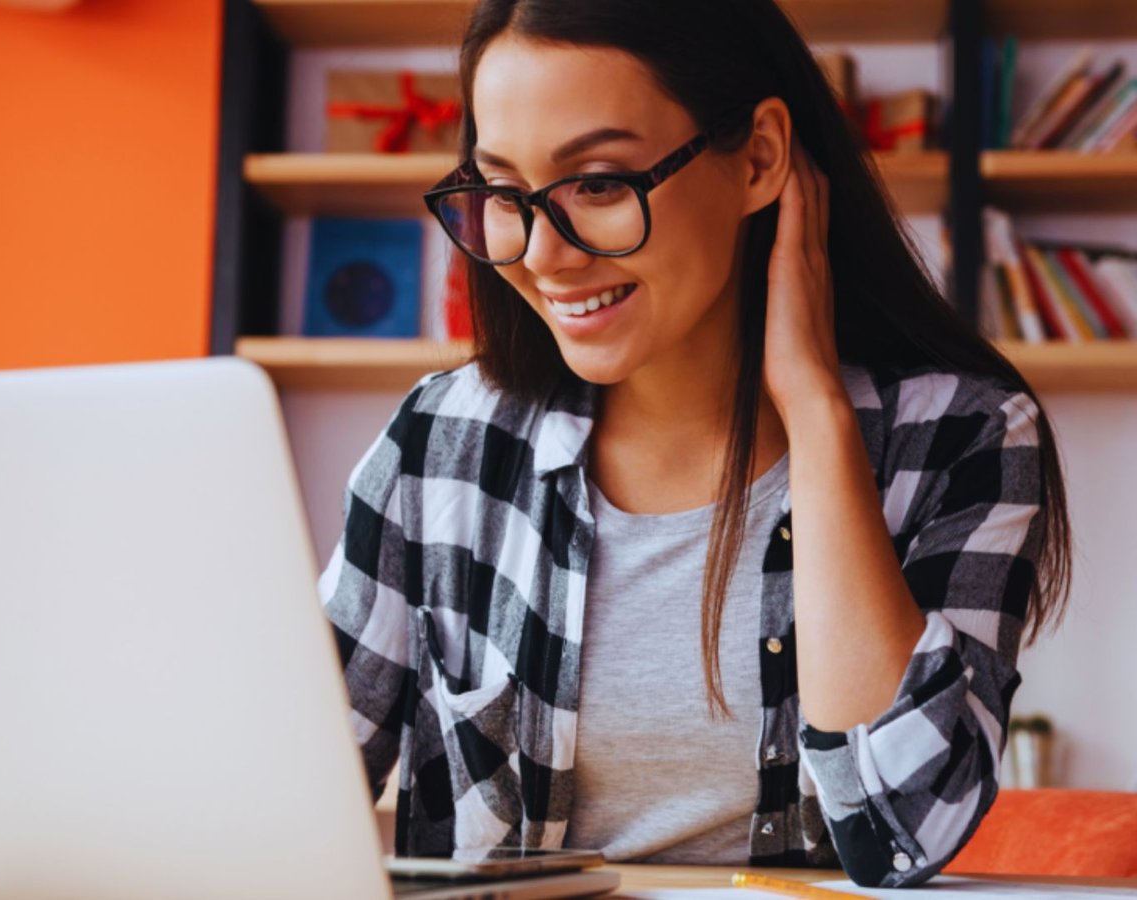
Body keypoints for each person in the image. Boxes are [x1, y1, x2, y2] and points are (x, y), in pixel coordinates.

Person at [318, 0, 1072, 888]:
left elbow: (899, 832)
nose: (543, 257)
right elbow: (277, 792)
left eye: (597, 183)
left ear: (758, 157)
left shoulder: (963, 438)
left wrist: (817, 415)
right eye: (501, 194)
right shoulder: (442, 443)